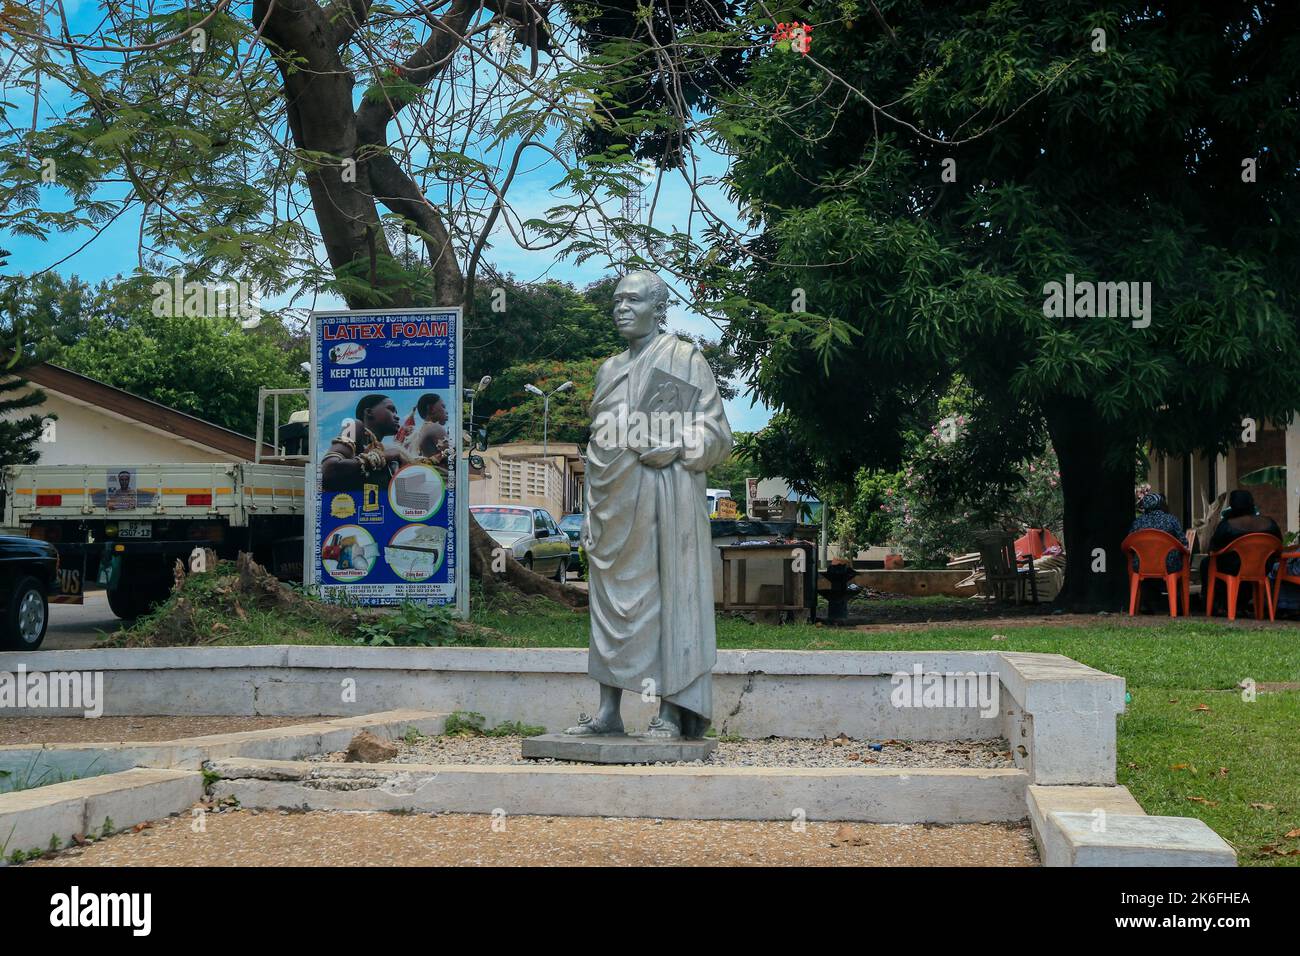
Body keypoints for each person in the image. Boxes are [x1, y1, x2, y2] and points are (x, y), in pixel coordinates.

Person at [564, 270, 734, 740]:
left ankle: (670, 711)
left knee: (663, 600)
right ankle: (607, 712)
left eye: (633, 301)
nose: (621, 308)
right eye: (616, 300)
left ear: (658, 309)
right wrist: (589, 512)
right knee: (607, 607)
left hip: (663, 500)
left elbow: (716, 433)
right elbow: (602, 443)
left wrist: (677, 446)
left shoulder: (683, 358)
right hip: (611, 506)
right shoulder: (608, 369)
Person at [1199, 489, 1282, 611]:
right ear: (1252, 503)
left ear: (1232, 506)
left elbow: (1212, 549)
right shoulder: (1270, 523)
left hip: (1233, 568)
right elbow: (1279, 546)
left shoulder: (1227, 525)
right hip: (1263, 568)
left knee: (1207, 563)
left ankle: (1213, 603)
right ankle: (1242, 603)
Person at [320, 394, 412, 493]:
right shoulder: (353, 426)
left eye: (396, 412)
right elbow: (328, 470)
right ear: (369, 412)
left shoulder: (385, 451)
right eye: (391, 409)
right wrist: (382, 456)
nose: (397, 416)